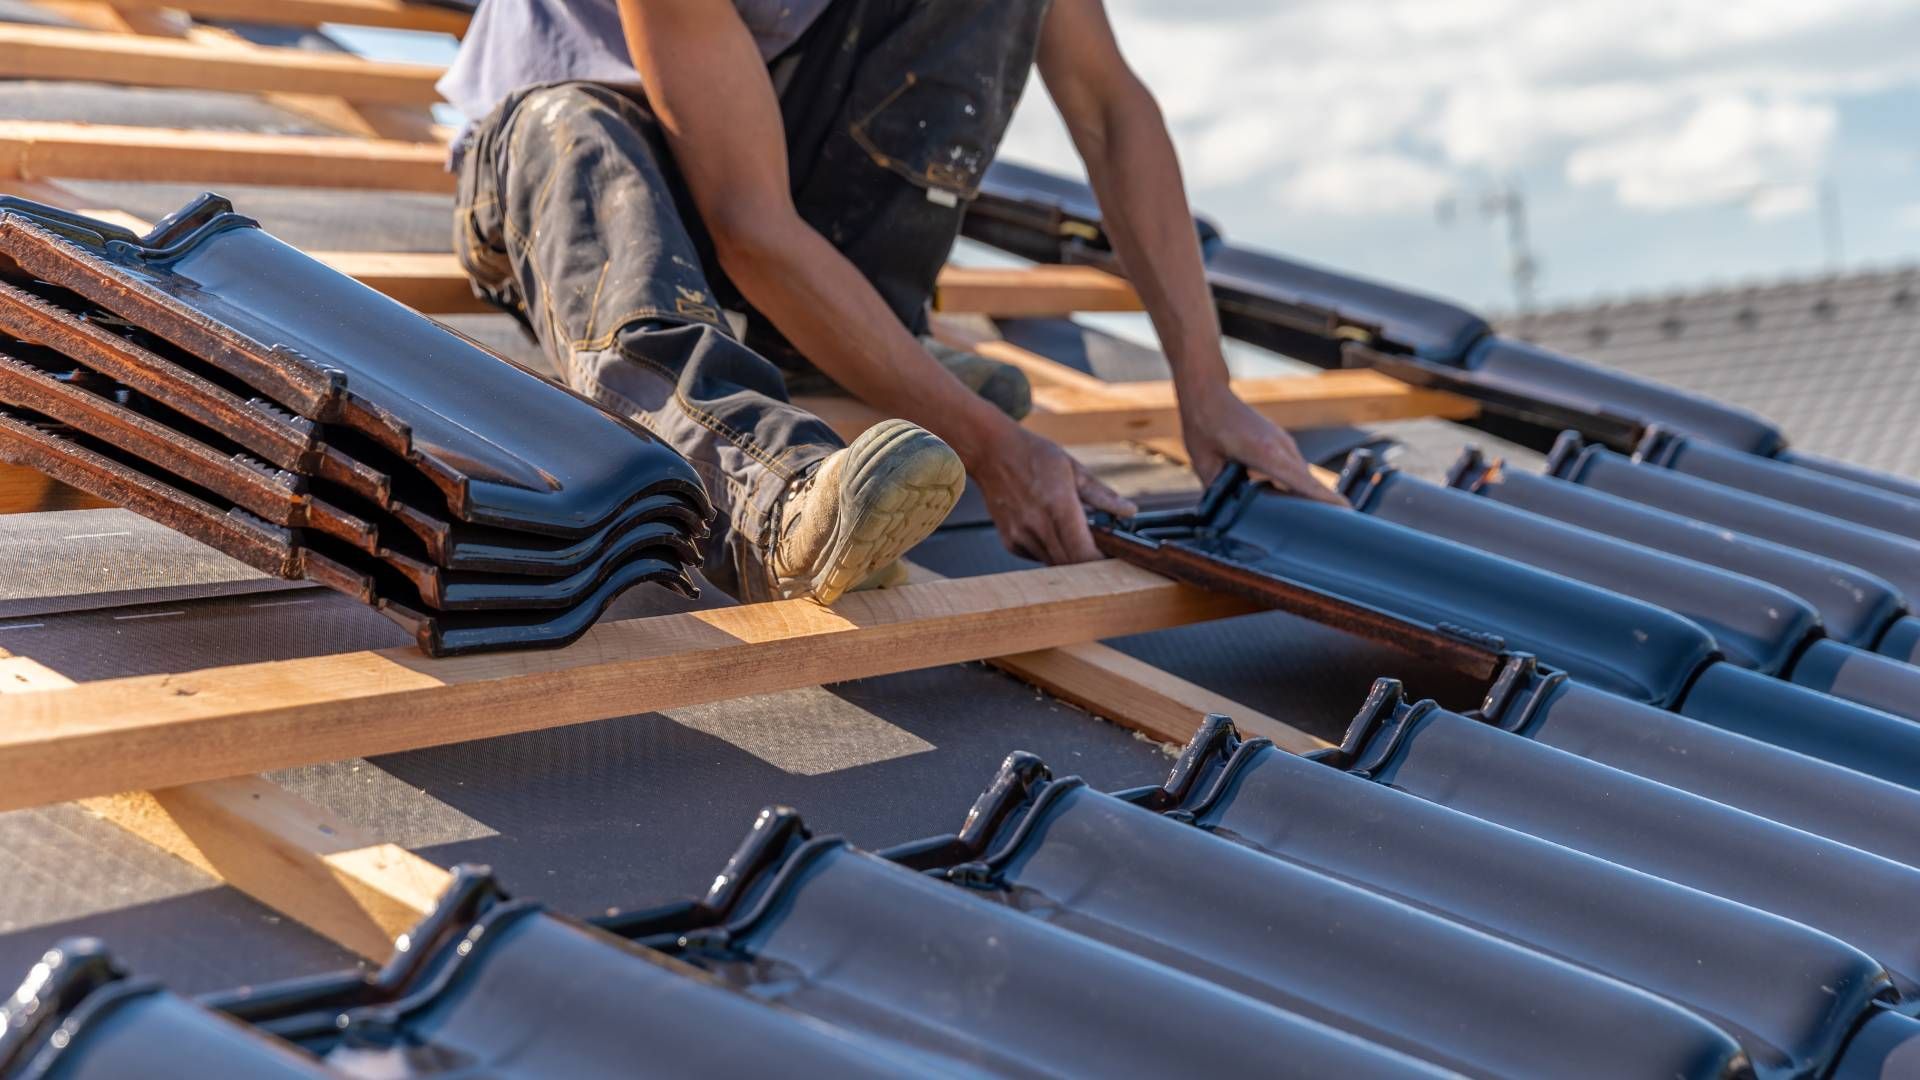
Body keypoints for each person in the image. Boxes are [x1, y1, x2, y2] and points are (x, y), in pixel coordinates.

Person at [440, 0, 1342, 605]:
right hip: (571, 141)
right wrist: (992, 446)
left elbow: (1110, 109)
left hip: (757, 143)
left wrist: (1206, 386)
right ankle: (768, 490)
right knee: (583, 141)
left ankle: (847, 357)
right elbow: (747, 220)